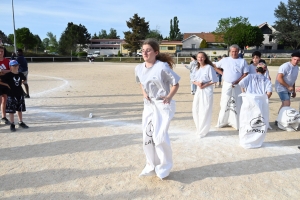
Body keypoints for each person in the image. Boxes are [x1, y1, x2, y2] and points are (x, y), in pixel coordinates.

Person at [135, 38, 180, 180]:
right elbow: (141, 83)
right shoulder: (138, 68)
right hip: (148, 105)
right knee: (147, 137)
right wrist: (144, 94)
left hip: (162, 104)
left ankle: (164, 168)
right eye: (143, 50)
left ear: (156, 52)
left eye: (148, 50)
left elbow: (175, 84)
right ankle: (151, 165)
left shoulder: (162, 67)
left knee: (159, 137)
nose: (145, 53)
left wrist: (169, 97)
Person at [213, 44, 249, 130]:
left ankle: (236, 122)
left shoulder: (242, 61)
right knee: (225, 102)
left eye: (236, 51)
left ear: (238, 51)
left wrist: (237, 81)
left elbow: (245, 73)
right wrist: (222, 74)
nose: (234, 53)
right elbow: (215, 66)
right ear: (230, 52)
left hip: (238, 85)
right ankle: (223, 121)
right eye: (232, 51)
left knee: (238, 103)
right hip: (227, 84)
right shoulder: (225, 60)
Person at [238, 62, 272, 148]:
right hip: (260, 102)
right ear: (265, 71)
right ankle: (256, 141)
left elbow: (241, 84)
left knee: (246, 120)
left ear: (256, 69)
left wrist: (244, 93)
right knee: (259, 121)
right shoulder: (267, 80)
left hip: (249, 101)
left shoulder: (250, 76)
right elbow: (269, 93)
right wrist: (264, 99)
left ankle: (245, 139)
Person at [191, 52, 218, 137]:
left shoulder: (209, 67)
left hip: (207, 90)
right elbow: (192, 79)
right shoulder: (196, 68)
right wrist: (197, 84)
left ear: (205, 58)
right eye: (198, 57)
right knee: (196, 108)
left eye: (202, 57)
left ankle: (203, 130)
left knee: (205, 109)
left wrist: (205, 85)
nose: (200, 59)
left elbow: (214, 80)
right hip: (199, 89)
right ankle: (198, 128)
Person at [0, 60, 29, 132]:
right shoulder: (8, 75)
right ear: (10, 67)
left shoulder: (20, 74)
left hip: (19, 93)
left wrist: (20, 83)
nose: (16, 67)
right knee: (11, 110)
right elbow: (0, 81)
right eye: (14, 65)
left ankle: (20, 122)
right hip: (11, 94)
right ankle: (12, 124)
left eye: (17, 65)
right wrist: (7, 85)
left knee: (20, 109)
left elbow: (24, 79)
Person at [275, 52, 300, 125]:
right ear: (291, 58)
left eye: (298, 60)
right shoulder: (285, 66)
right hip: (281, 87)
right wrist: (288, 86)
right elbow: (279, 78)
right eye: (294, 59)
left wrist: (294, 91)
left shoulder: (297, 68)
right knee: (287, 103)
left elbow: (293, 80)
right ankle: (279, 120)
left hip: (289, 88)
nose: (296, 61)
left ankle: (278, 119)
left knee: (285, 104)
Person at [0, 46, 11, 125]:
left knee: (5, 100)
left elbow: (11, 70)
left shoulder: (7, 61)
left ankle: (3, 117)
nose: (1, 53)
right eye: (0, 51)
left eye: (2, 51)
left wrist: (4, 71)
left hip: (5, 83)